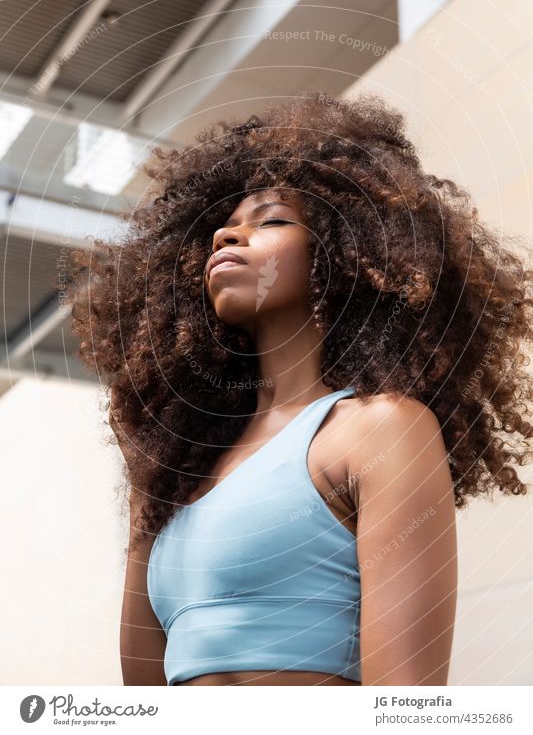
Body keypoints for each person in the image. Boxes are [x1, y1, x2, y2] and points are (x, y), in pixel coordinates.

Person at [67, 90, 533, 686]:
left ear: (345, 256)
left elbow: (406, 703)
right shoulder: (169, 474)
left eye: (271, 221)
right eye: (224, 227)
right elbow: (145, 690)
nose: (226, 238)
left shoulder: (381, 430)